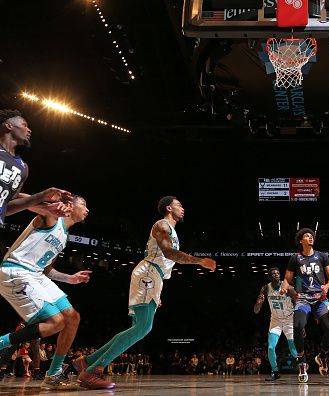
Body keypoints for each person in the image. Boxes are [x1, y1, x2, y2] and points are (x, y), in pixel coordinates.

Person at [73, 196, 216, 389]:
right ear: (168, 208)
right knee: (143, 328)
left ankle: (87, 362)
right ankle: (92, 371)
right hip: (148, 273)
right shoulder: (162, 225)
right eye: (179, 205)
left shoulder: (172, 230)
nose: (183, 208)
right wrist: (199, 261)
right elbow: (168, 253)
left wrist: (157, 292)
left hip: (153, 277)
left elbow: (165, 261)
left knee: (139, 327)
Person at [0, 195, 91, 390]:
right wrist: (48, 200)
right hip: (16, 270)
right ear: (69, 206)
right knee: (55, 322)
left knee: (72, 317)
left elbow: (47, 269)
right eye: (83, 204)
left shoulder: (64, 236)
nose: (87, 209)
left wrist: (70, 278)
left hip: (36, 274)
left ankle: (53, 375)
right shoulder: (51, 217)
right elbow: (24, 199)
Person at [280, 228, 329, 383]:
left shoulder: (322, 256)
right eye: (306, 236)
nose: (310, 237)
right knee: (298, 326)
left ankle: (322, 356)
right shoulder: (295, 258)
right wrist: (284, 287)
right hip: (303, 298)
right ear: (300, 241)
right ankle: (302, 363)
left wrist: (327, 286)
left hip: (320, 299)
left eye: (311, 236)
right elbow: (287, 278)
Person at [0, 109, 72, 223]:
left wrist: (42, 196)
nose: (29, 130)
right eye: (24, 125)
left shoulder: (23, 167)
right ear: (9, 126)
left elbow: (6, 207)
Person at [254, 267, 298, 381]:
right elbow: (256, 310)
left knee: (293, 347)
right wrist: (258, 303)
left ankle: (302, 366)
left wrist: (299, 323)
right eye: (273, 274)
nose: (276, 275)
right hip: (276, 320)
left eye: (278, 273)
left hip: (289, 319)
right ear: (269, 277)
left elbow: (298, 303)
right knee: (270, 347)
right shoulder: (265, 289)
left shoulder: (287, 287)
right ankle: (275, 372)